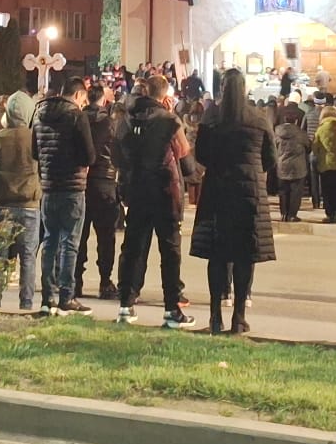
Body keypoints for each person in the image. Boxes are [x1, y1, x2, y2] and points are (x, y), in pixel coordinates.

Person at [189, 68, 275, 335]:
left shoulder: (212, 118)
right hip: (249, 192)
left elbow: (201, 155)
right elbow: (270, 158)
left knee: (217, 255)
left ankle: (215, 316)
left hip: (218, 189)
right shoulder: (258, 118)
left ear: (222, 88)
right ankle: (239, 316)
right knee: (244, 255)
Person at [116, 74, 192, 327]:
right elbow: (183, 150)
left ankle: (126, 304)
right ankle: (171, 308)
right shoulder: (169, 120)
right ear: (165, 95)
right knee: (169, 249)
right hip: (164, 189)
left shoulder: (127, 118)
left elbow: (118, 153)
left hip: (137, 188)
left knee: (133, 246)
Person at [33, 78, 95, 316]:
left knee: (49, 241)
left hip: (48, 186)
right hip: (72, 186)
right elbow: (89, 156)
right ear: (78, 95)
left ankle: (47, 297)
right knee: (70, 242)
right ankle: (66, 296)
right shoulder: (76, 116)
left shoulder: (39, 114)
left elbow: (34, 151)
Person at [0, 90, 43, 313]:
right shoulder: (35, 139)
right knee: (28, 256)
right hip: (30, 204)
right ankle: (26, 302)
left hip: (3, 204)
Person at [78, 90, 124, 300]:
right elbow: (119, 154)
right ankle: (105, 281)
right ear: (103, 100)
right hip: (105, 182)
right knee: (106, 238)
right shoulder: (111, 124)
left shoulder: (78, 120)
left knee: (79, 235)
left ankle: (76, 280)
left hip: (82, 182)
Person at [272, 103, 311, 223]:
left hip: (282, 165)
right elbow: (309, 147)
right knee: (296, 191)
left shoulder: (277, 132)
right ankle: (292, 214)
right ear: (296, 120)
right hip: (298, 166)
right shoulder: (301, 133)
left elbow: (272, 147)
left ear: (284, 119)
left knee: (283, 191)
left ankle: (284, 214)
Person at [314, 100, 336, 225]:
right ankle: (335, 215)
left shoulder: (321, 129)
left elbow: (315, 146)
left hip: (325, 164)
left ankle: (329, 214)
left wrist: (319, 156)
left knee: (327, 191)